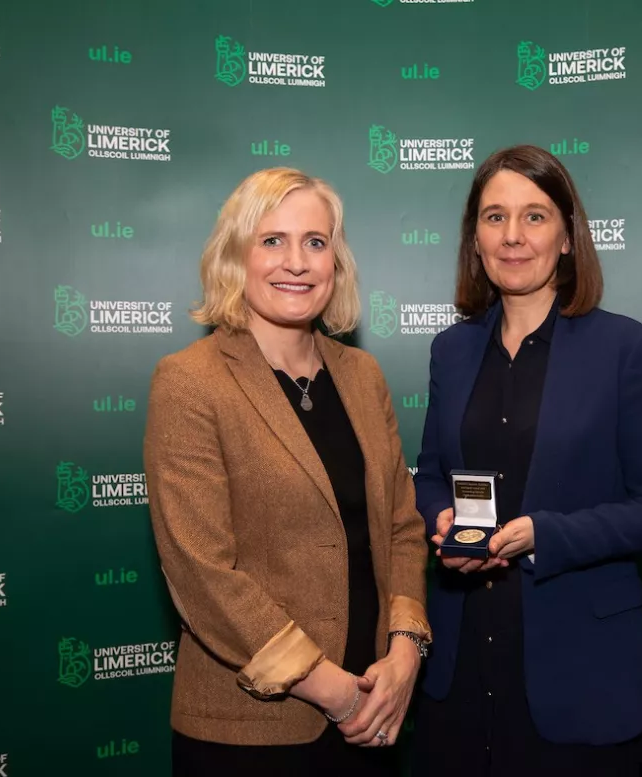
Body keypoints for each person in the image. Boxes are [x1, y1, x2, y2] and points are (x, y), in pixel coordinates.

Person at [410, 145, 642, 776]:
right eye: (494, 217)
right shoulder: (450, 351)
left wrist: (546, 535)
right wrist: (442, 521)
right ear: (474, 237)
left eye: (534, 217)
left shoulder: (626, 349)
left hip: (581, 679)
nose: (513, 236)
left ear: (568, 236)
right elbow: (430, 474)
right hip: (460, 667)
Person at [144, 167, 432, 777]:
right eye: (272, 240)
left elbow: (403, 529)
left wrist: (405, 653)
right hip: (250, 734)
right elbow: (201, 572)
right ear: (235, 257)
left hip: (374, 717)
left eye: (316, 242)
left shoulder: (362, 376)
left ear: (337, 262)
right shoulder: (190, 381)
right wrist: (333, 690)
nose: (296, 262)